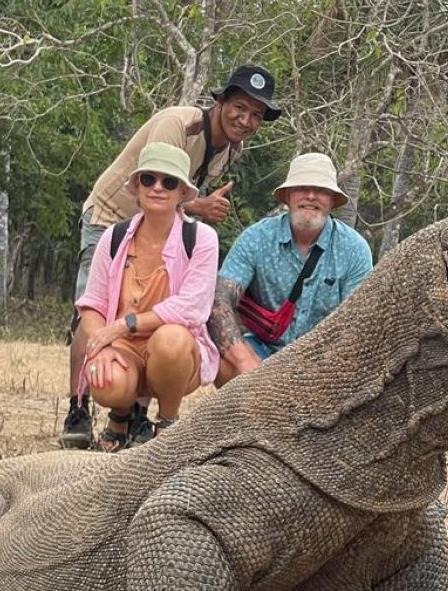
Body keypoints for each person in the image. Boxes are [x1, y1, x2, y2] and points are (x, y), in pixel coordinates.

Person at [62, 64, 282, 448]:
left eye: (256, 115)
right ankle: (77, 409)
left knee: (162, 322)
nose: (245, 120)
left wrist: (195, 208)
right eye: (239, 108)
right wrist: (200, 206)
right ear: (220, 101)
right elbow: (160, 183)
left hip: (164, 230)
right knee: (92, 314)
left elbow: (179, 196)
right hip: (111, 216)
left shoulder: (232, 148)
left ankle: (138, 418)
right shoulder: (177, 126)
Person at [75, 142, 220, 452]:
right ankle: (120, 416)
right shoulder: (113, 237)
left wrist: (123, 324)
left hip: (173, 353)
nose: (157, 188)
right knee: (105, 378)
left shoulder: (201, 238)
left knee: (172, 340)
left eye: (169, 182)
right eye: (148, 179)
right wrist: (101, 345)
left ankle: (167, 424)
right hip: (123, 349)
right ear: (136, 187)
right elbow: (92, 304)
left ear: (183, 192)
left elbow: (192, 308)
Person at [208, 152, 373, 385]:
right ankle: (244, 418)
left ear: (333, 200)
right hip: (261, 349)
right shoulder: (256, 238)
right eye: (301, 188)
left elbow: (360, 323)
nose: (311, 196)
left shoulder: (355, 249)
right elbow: (218, 299)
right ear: (287, 195)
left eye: (321, 190)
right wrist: (246, 362)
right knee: (224, 365)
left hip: (325, 360)